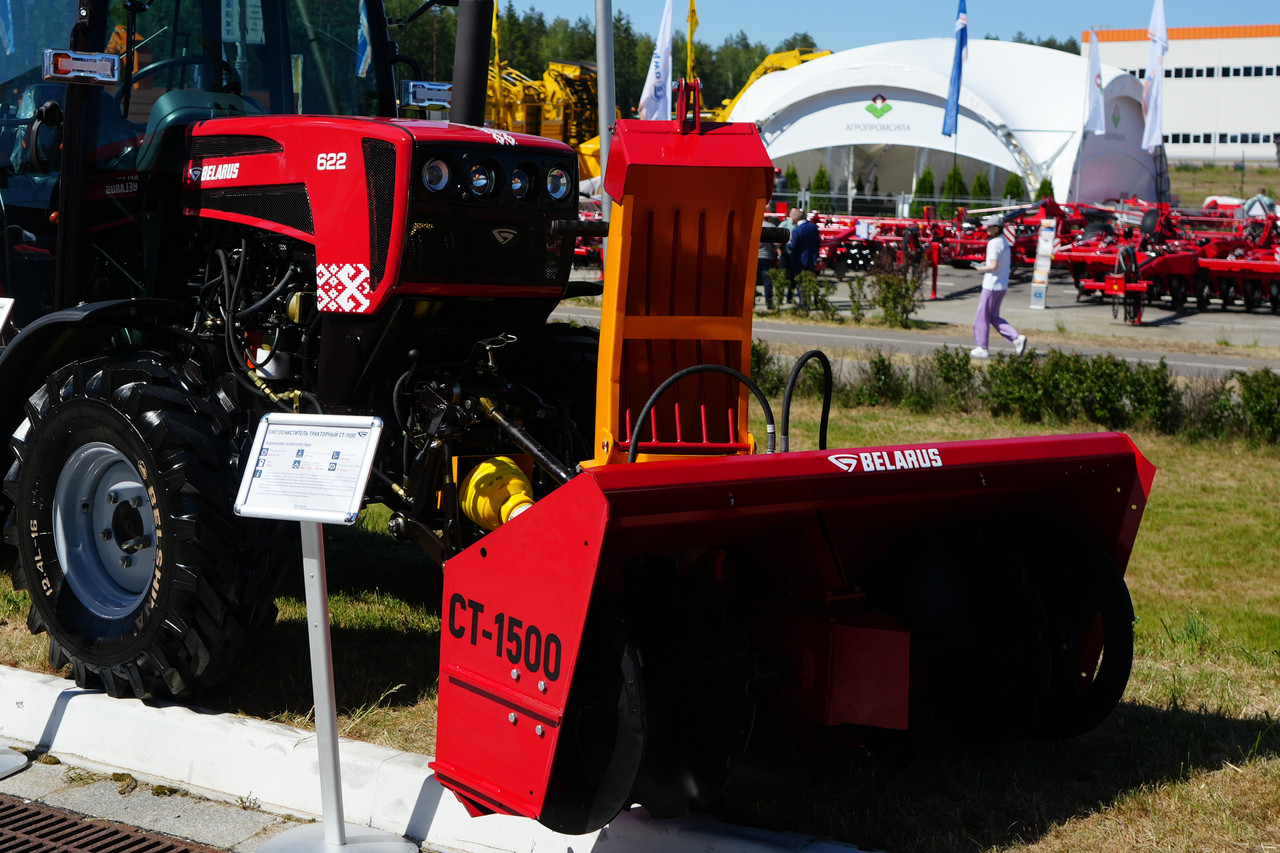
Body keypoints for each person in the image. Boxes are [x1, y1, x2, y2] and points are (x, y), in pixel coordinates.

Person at [970, 215, 1026, 359]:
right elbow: (998, 264)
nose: (986, 229)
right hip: (1001, 284)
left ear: (996, 228)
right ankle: (1016, 338)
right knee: (993, 317)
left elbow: (993, 266)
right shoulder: (1004, 241)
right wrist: (986, 265)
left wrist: (981, 269)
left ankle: (982, 347)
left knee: (981, 317)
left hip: (991, 285)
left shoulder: (993, 243)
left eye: (989, 227)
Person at [786, 207, 820, 308]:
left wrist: (788, 244)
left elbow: (793, 246)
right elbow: (818, 243)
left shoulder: (797, 231)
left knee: (800, 282)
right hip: (812, 259)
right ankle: (816, 301)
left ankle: (804, 302)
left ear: (796, 219)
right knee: (811, 281)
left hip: (799, 260)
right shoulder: (814, 228)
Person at [757, 215, 778, 309]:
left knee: (751, 282)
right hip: (766, 256)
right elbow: (777, 243)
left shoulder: (753, 225)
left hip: (754, 257)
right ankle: (769, 302)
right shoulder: (771, 226)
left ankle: (750, 302)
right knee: (767, 281)